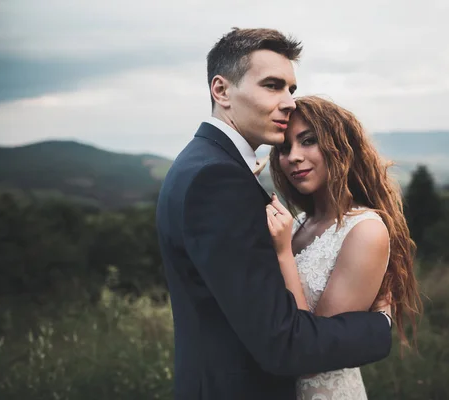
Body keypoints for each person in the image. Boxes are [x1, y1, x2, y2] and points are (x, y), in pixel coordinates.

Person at [156, 28, 394, 400]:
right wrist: (379, 326)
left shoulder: (204, 164)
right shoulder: (217, 178)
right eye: (272, 85)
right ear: (221, 91)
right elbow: (285, 344)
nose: (287, 102)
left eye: (290, 89)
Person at [266, 96, 423, 399]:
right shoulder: (297, 223)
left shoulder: (365, 230)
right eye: (285, 148)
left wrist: (282, 253)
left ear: (339, 146)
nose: (293, 157)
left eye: (308, 141)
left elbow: (313, 353)